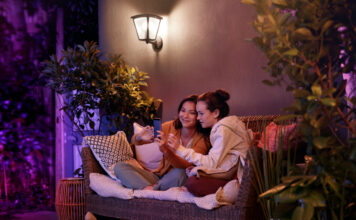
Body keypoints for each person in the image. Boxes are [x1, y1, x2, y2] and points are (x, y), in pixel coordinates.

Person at [166, 89, 253, 197]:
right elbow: (218, 162)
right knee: (191, 177)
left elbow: (213, 163)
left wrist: (179, 149)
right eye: (197, 113)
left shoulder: (223, 130)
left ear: (216, 113)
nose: (198, 118)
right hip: (226, 171)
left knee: (192, 182)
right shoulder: (224, 127)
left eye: (201, 113)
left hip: (234, 176)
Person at [114, 95, 210, 190]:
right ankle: (151, 189)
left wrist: (166, 149)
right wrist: (140, 137)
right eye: (183, 110)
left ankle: (148, 189)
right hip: (158, 176)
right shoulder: (170, 126)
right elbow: (136, 141)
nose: (185, 116)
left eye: (191, 112)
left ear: (199, 116)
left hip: (176, 178)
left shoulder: (203, 139)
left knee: (181, 173)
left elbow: (186, 165)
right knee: (119, 167)